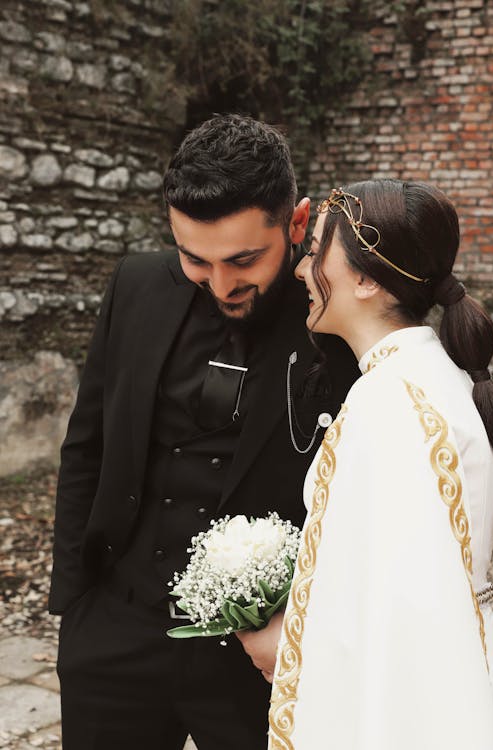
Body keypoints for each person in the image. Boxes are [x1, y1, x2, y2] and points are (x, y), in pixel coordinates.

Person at [48, 114, 359, 750]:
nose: (221, 283)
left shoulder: (339, 322)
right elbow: (88, 444)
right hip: (115, 633)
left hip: (258, 655)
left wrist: (302, 637)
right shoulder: (135, 285)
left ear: (296, 225)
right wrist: (75, 606)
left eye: (244, 259)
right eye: (196, 258)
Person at [239, 179, 493, 749]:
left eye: (314, 255)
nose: (302, 272)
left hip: (410, 704)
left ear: (365, 277)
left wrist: (289, 642)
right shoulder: (428, 378)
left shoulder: (391, 404)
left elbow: (397, 611)